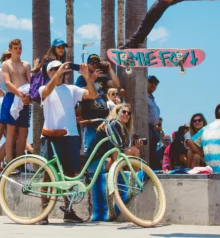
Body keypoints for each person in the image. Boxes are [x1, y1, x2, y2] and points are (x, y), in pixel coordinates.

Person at [37, 61, 97, 225]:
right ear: (49, 72)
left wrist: (87, 77)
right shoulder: (44, 88)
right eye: (55, 69)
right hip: (51, 137)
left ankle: (69, 212)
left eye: (61, 69)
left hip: (71, 136)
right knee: (48, 176)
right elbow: (47, 91)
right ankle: (43, 214)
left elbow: (92, 95)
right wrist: (58, 72)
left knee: (70, 176)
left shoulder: (71, 89)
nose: (60, 71)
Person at [75, 54, 120, 155]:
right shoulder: (82, 79)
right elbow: (78, 92)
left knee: (104, 150)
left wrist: (110, 69)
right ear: (87, 64)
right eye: (92, 63)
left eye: (97, 63)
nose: (95, 65)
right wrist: (91, 80)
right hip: (90, 121)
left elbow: (116, 84)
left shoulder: (102, 79)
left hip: (104, 120)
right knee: (90, 150)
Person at [85, 104, 143, 175]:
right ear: (117, 113)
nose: (126, 114)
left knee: (132, 150)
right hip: (96, 164)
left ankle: (133, 177)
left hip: (93, 165)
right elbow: (114, 151)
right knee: (135, 150)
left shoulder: (113, 126)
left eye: (129, 113)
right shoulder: (115, 124)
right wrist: (118, 167)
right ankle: (137, 179)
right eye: (123, 112)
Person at [0, 39, 31, 164]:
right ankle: (10, 162)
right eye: (15, 48)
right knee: (11, 131)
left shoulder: (26, 65)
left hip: (25, 99)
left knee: (24, 131)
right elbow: (8, 83)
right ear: (10, 50)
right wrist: (20, 94)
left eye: (20, 48)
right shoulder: (6, 65)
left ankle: (19, 163)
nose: (18, 51)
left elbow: (31, 82)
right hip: (12, 97)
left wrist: (28, 97)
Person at [147, 75, 161, 169]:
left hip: (153, 128)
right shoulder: (143, 95)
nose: (153, 84)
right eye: (151, 81)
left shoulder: (152, 98)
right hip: (145, 127)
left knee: (152, 152)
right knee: (147, 151)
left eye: (155, 83)